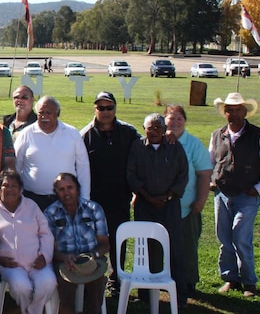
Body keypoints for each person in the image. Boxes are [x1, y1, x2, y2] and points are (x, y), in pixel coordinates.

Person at [209, 92, 260, 297]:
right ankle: (231, 278)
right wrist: (211, 181)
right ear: (224, 113)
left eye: (237, 109)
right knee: (224, 237)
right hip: (222, 195)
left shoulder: (259, 135)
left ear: (245, 111)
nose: (233, 114)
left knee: (241, 236)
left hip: (247, 196)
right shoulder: (217, 134)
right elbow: (210, 163)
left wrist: (258, 189)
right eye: (229, 110)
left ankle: (249, 282)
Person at [127, 112, 188, 308]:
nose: (153, 131)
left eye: (157, 128)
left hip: (169, 205)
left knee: (175, 249)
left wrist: (168, 196)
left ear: (164, 130)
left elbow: (183, 175)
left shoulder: (174, 146)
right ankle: (145, 293)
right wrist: (147, 196)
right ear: (144, 129)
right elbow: (131, 174)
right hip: (145, 204)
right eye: (149, 128)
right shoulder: (137, 147)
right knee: (145, 249)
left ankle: (180, 297)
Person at [80, 91, 139, 294]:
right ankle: (92, 280)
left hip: (120, 198)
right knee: (93, 242)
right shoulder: (85, 135)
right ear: (95, 109)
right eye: (100, 107)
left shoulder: (129, 133)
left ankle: (116, 282)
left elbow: (144, 151)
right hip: (94, 200)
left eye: (109, 107)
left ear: (115, 108)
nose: (105, 112)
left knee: (118, 241)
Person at [0, 169, 56, 314]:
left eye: (14, 186)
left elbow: (46, 234)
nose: (10, 189)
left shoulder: (31, 206)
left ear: (20, 188)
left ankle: (32, 311)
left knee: (49, 283)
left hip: (36, 261)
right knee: (21, 287)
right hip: (10, 265)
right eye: (6, 185)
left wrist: (44, 255)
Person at [165, 104, 212, 298]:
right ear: (164, 119)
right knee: (160, 246)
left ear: (185, 122)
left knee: (187, 247)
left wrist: (201, 200)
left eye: (180, 119)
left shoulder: (193, 144)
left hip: (187, 208)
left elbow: (204, 174)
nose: (175, 122)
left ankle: (188, 282)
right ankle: (162, 279)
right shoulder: (157, 140)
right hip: (159, 207)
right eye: (171, 117)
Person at [45, 173, 109, 314]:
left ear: (77, 189)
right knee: (65, 286)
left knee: (97, 282)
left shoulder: (94, 209)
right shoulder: (50, 213)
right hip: (64, 261)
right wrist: (64, 258)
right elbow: (50, 248)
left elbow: (105, 244)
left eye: (70, 187)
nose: (66, 192)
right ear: (56, 192)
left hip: (92, 259)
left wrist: (93, 255)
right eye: (61, 189)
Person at [14, 96, 90, 211]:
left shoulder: (72, 133)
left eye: (49, 112)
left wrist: (84, 198)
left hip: (66, 199)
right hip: (33, 200)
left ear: (57, 113)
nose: (44, 116)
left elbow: (83, 167)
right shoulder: (26, 134)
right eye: (41, 113)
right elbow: (16, 166)